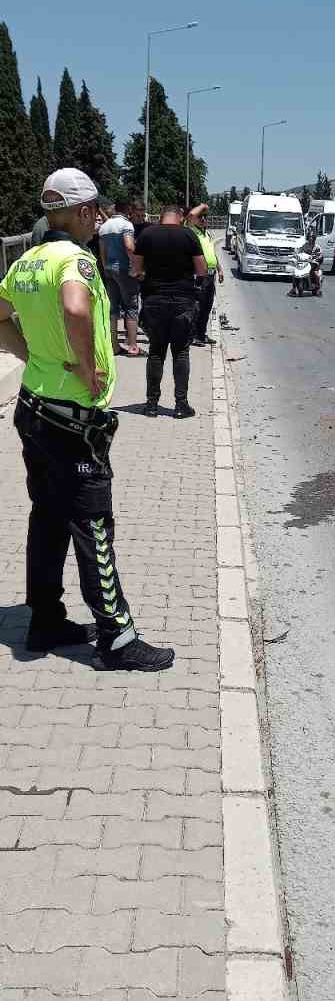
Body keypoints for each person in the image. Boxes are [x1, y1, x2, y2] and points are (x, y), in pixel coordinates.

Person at [0, 167, 174, 671]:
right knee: (93, 523)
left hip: (33, 408)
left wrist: (32, 353)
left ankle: (45, 620)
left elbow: (0, 312)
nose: (98, 219)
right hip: (73, 418)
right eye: (95, 211)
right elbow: (77, 310)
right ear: (81, 212)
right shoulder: (75, 261)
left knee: (47, 518)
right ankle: (117, 638)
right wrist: (84, 365)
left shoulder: (27, 261)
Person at [133, 206, 207, 418]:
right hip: (183, 300)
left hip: (154, 300)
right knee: (181, 352)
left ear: (161, 217)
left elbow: (136, 270)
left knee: (156, 351)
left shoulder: (147, 234)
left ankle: (151, 404)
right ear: (181, 218)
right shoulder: (188, 234)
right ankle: (181, 405)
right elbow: (201, 269)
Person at [98, 201, 140, 356]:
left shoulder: (104, 227)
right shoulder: (126, 225)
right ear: (128, 210)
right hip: (124, 269)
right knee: (131, 306)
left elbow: (102, 252)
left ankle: (114, 345)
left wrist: (105, 267)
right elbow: (129, 247)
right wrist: (136, 267)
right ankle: (133, 346)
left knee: (112, 308)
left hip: (109, 269)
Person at [185, 204, 224, 345]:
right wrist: (202, 206)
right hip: (200, 274)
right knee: (198, 306)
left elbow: (211, 253)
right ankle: (194, 335)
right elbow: (190, 216)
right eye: (200, 217)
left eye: (205, 217)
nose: (203, 220)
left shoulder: (207, 234)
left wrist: (219, 269)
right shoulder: (192, 231)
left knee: (207, 306)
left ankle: (201, 334)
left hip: (211, 274)